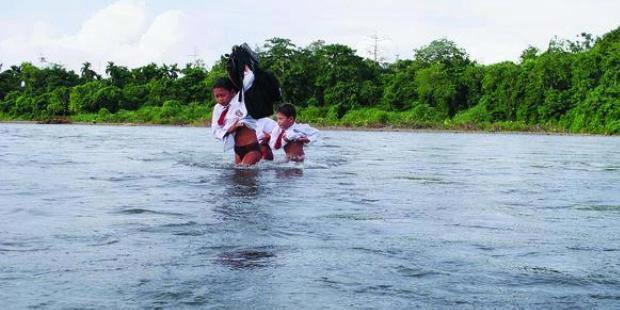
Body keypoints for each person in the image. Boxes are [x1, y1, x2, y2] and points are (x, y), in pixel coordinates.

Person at [211, 73, 262, 166]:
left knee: (245, 172)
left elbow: (249, 79)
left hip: (251, 147)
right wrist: (229, 130)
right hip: (237, 150)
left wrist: (244, 65)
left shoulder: (241, 100)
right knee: (237, 176)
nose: (220, 99)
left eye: (222, 95)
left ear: (232, 92)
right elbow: (215, 131)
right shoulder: (217, 108)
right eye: (217, 96)